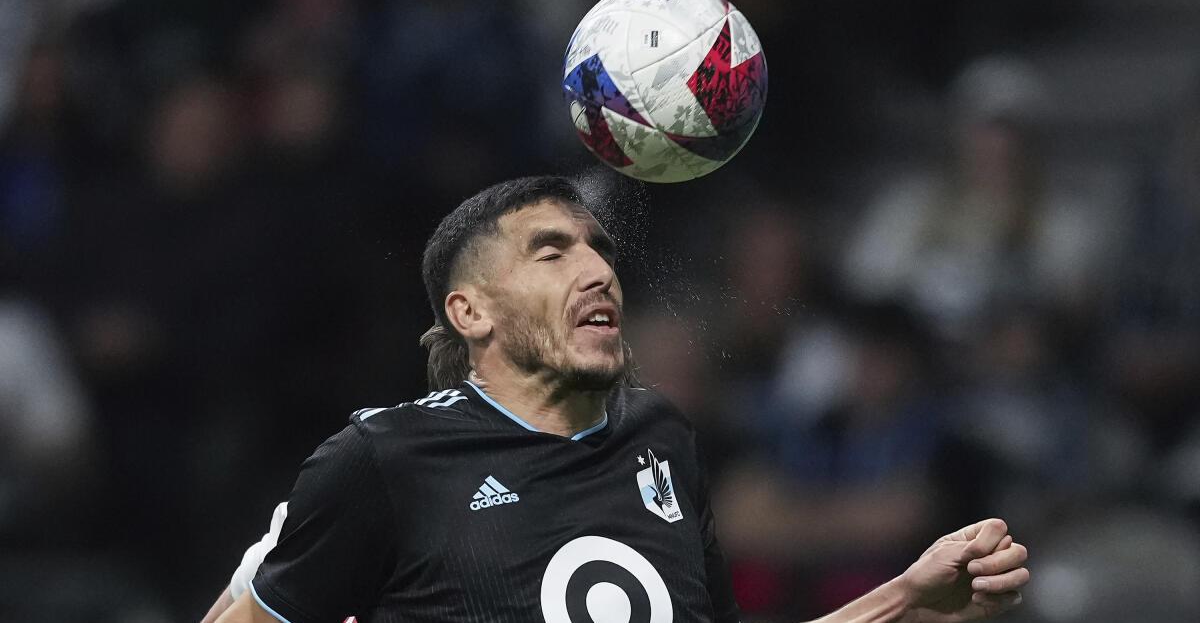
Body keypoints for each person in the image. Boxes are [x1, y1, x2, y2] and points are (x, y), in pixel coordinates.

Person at [205, 176, 1029, 623]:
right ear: (472, 311)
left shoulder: (661, 437)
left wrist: (908, 596)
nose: (598, 270)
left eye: (599, 250)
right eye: (552, 253)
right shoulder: (384, 460)